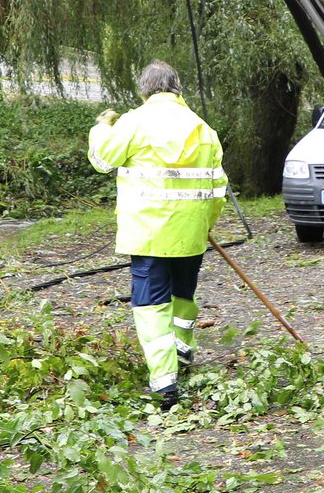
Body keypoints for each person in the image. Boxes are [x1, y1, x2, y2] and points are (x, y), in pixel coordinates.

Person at [87, 61, 228, 410]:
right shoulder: (202, 128)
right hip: (191, 232)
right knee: (183, 295)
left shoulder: (134, 122)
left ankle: (165, 384)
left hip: (148, 234)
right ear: (177, 87)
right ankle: (182, 351)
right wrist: (206, 222)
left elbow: (104, 160)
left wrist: (100, 127)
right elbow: (218, 187)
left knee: (151, 304)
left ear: (144, 90)